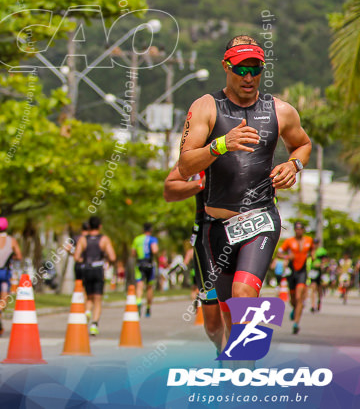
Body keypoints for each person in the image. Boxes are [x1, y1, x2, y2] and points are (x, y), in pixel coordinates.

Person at [177, 36, 312, 350]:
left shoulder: (280, 111)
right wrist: (221, 144)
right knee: (226, 317)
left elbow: (302, 144)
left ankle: (244, 374)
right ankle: (239, 367)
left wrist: (295, 165)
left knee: (243, 294)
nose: (249, 77)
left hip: (261, 219)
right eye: (242, 69)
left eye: (256, 69)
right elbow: (184, 166)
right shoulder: (206, 107)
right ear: (226, 66)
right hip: (216, 226)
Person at [164, 166, 224, 353]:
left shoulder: (251, 146)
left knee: (240, 302)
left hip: (244, 235)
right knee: (213, 327)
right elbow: (169, 191)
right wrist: (200, 184)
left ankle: (238, 366)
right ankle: (223, 352)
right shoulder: (199, 153)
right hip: (207, 237)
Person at [73, 216, 116, 336]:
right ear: (100, 226)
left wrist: (84, 260)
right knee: (98, 299)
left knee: (88, 296)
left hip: (86, 269)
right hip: (98, 269)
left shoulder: (83, 239)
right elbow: (112, 256)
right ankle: (94, 324)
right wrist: (107, 261)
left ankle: (87, 311)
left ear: (89, 226)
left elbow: (76, 257)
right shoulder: (104, 239)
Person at [278, 221, 314, 334]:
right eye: (297, 229)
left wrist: (312, 256)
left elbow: (312, 250)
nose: (299, 230)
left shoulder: (309, 240)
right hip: (291, 271)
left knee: (299, 297)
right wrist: (287, 256)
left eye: (301, 228)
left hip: (302, 272)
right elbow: (279, 253)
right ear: (295, 230)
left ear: (303, 230)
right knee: (293, 299)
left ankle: (296, 323)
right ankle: (295, 309)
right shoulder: (289, 241)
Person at [132, 223, 158, 317]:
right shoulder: (152, 239)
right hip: (150, 264)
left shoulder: (137, 239)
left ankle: (138, 301)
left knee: (139, 285)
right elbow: (155, 250)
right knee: (149, 287)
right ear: (151, 230)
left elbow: (133, 253)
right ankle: (148, 307)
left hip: (140, 264)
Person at [310, 241, 328, 313]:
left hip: (320, 271)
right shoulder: (311, 251)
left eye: (316, 243)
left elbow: (326, 259)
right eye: (314, 243)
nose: (315, 245)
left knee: (319, 289)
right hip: (313, 271)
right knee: (313, 288)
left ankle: (319, 301)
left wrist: (322, 264)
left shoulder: (322, 251)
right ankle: (313, 305)